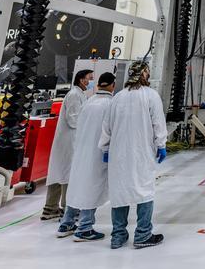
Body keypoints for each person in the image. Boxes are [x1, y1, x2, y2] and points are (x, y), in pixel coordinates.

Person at [101, 60, 167, 250]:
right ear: (144, 74)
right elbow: (158, 123)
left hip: (118, 154)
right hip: (141, 152)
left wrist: (105, 148)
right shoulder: (150, 95)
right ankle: (143, 235)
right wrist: (161, 144)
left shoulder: (118, 97)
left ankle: (118, 236)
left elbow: (107, 126)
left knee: (119, 193)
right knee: (144, 190)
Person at [58, 72, 116, 241]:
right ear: (113, 85)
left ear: (98, 85)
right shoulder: (111, 104)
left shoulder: (89, 101)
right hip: (98, 153)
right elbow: (112, 130)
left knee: (78, 187)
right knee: (92, 188)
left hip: (81, 151)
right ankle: (84, 228)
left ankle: (66, 223)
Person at [41, 68, 93, 221]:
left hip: (68, 140)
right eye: (89, 78)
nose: (91, 82)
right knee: (68, 174)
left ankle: (50, 208)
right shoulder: (74, 95)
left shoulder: (79, 94)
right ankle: (68, 209)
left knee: (59, 173)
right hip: (70, 140)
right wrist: (88, 127)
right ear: (82, 80)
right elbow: (73, 119)